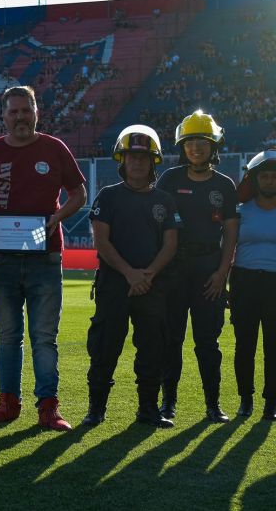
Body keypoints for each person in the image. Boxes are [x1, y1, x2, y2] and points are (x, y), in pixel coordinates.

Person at [0, 85, 86, 431]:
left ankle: (48, 407)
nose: (20, 116)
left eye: (26, 110)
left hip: (45, 255)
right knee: (7, 334)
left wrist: (58, 217)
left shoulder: (54, 148)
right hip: (2, 258)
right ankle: (8, 403)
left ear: (37, 112)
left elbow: (78, 193)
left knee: (44, 336)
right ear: (4, 116)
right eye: (14, 111)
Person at [83, 125, 177, 428]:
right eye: (131, 157)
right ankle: (96, 410)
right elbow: (101, 242)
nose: (138, 162)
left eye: (144, 157)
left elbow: (171, 244)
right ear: (122, 161)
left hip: (152, 286)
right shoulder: (108, 196)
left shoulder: (165, 200)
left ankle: (148, 410)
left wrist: (146, 275)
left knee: (152, 349)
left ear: (154, 162)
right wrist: (130, 274)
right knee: (104, 347)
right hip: (114, 285)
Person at [157, 110, 238, 423]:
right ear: (182, 146)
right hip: (174, 270)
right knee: (171, 340)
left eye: (202, 142)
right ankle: (168, 405)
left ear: (213, 145)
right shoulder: (169, 179)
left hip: (209, 272)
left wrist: (222, 273)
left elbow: (230, 232)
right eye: (190, 142)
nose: (195, 148)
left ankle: (213, 406)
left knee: (208, 343)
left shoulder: (225, 185)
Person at [230, 150, 276, 420]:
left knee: (274, 345)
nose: (270, 181)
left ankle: (271, 402)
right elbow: (228, 249)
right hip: (244, 280)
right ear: (255, 180)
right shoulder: (240, 211)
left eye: (274, 177)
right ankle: (245, 399)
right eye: (265, 176)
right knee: (244, 344)